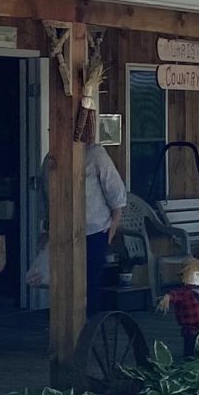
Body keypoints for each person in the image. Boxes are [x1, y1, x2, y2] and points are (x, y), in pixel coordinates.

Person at [78, 111, 129, 296]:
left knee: (91, 281)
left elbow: (116, 193)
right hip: (64, 230)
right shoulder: (53, 157)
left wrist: (111, 229)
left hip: (95, 229)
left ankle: (92, 321)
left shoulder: (96, 154)